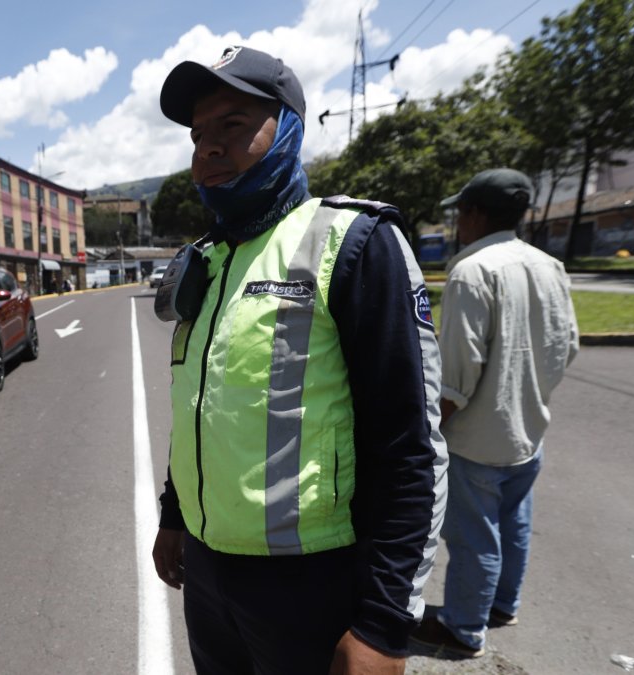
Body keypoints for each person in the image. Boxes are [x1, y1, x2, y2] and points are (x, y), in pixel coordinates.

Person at [150, 46, 448, 674]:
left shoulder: (355, 243)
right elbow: (201, 405)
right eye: (198, 134)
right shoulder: (203, 262)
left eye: (231, 126)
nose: (206, 147)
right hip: (206, 575)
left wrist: (384, 623)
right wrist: (174, 515)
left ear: (286, 126)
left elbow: (412, 447)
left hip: (311, 587)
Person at [410, 169, 579, 658]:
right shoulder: (549, 265)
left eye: (459, 212)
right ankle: (502, 605)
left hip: (476, 439)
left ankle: (464, 629)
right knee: (513, 523)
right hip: (529, 430)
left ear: (475, 214)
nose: (457, 222)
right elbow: (566, 346)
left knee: (473, 537)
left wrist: (429, 434)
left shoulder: (472, 270)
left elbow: (456, 374)